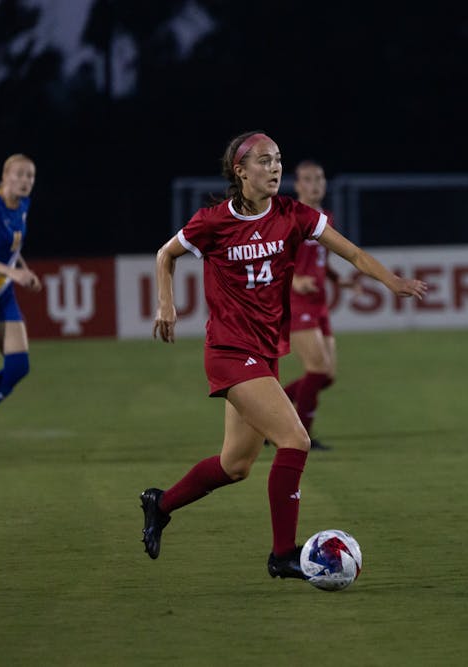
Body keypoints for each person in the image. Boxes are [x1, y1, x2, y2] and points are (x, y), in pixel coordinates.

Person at [141, 131, 426, 580]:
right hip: (230, 351)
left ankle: (161, 503)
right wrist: (165, 303)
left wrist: (390, 281)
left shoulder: (293, 214)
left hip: (266, 350)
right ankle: (282, 555)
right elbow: (166, 254)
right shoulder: (212, 222)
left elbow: (348, 251)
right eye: (265, 161)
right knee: (296, 439)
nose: (275, 168)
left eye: (278, 160)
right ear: (241, 170)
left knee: (235, 466)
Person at [280, 160, 356, 450]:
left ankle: (264, 411)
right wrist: (295, 280)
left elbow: (320, 260)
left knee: (327, 376)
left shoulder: (326, 218)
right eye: (309, 179)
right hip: (296, 302)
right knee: (317, 369)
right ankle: (301, 437)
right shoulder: (291, 218)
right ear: (298, 185)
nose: (316, 184)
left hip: (320, 303)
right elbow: (275, 261)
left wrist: (338, 280)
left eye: (320, 178)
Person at [0, 154, 41, 412]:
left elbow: (12, 245)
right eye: (19, 174)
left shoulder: (23, 205)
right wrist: (13, 274)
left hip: (1, 293)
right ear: (4, 176)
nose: (25, 180)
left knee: (18, 366)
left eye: (29, 175)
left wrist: (24, 270)